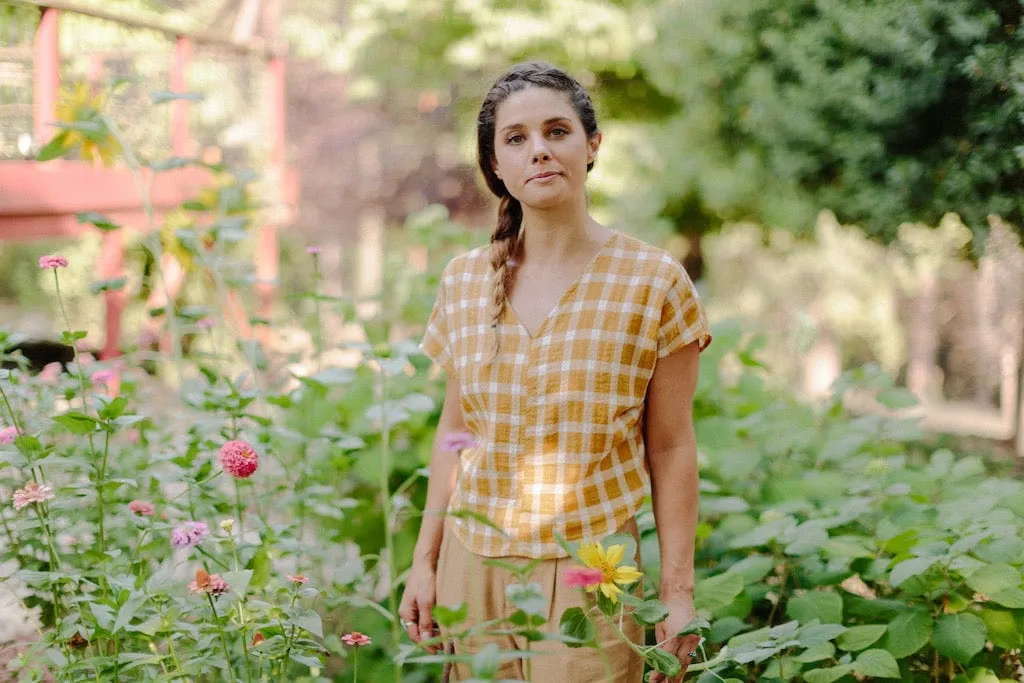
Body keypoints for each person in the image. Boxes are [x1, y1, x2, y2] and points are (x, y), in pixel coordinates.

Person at [398, 61, 712, 683]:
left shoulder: (654, 282)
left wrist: (678, 593)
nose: (538, 150)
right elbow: (453, 435)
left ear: (591, 145)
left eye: (556, 131)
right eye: (515, 139)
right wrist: (425, 561)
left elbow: (672, 447)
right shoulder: (465, 281)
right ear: (495, 166)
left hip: (591, 572)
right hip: (473, 568)